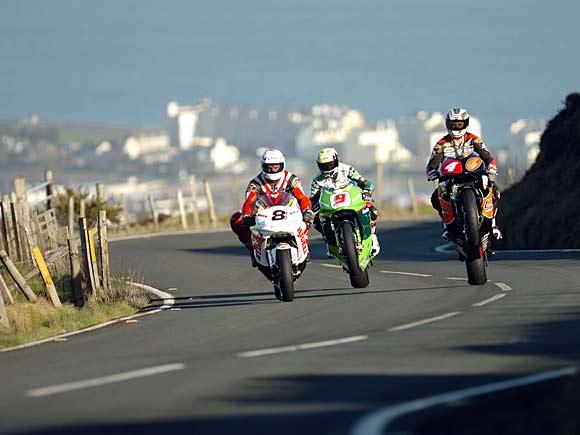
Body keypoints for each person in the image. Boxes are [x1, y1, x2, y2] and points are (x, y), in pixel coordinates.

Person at [426, 108, 502, 240]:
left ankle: (493, 224)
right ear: (448, 124)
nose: (456, 127)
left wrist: (491, 163)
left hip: (473, 173)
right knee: (435, 197)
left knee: (494, 189)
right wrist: (432, 170)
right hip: (451, 175)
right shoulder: (442, 143)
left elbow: (485, 154)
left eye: (459, 124)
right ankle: (446, 225)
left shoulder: (474, 139)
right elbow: (434, 160)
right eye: (453, 124)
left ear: (465, 123)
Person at [230, 148, 314, 265]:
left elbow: (302, 197)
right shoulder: (255, 183)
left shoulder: (291, 179)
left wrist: (307, 210)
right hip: (265, 216)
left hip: (289, 213)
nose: (272, 170)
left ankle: (304, 245)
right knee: (236, 219)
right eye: (269, 167)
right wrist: (247, 215)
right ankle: (253, 251)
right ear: (263, 166)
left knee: (309, 213)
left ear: (282, 165)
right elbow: (249, 202)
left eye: (275, 167)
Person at [310, 147, 380, 255]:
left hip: (350, 197)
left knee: (372, 210)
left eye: (329, 164)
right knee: (317, 221)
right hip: (331, 204)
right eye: (323, 165)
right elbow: (313, 196)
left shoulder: (347, 169)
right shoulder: (317, 179)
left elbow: (364, 182)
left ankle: (373, 236)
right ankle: (330, 244)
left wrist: (367, 191)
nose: (327, 168)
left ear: (336, 160)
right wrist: (312, 205)